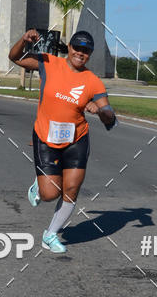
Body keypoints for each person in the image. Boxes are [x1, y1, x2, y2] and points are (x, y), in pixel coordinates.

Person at [8, 29, 117, 254]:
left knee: (72, 189)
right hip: (45, 137)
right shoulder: (49, 63)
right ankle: (39, 185)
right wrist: (23, 41)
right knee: (50, 194)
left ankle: (50, 235)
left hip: (76, 140)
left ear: (90, 53)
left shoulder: (93, 81)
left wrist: (99, 110)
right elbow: (15, 58)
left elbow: (110, 117)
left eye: (86, 50)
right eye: (77, 48)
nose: (80, 53)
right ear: (69, 48)